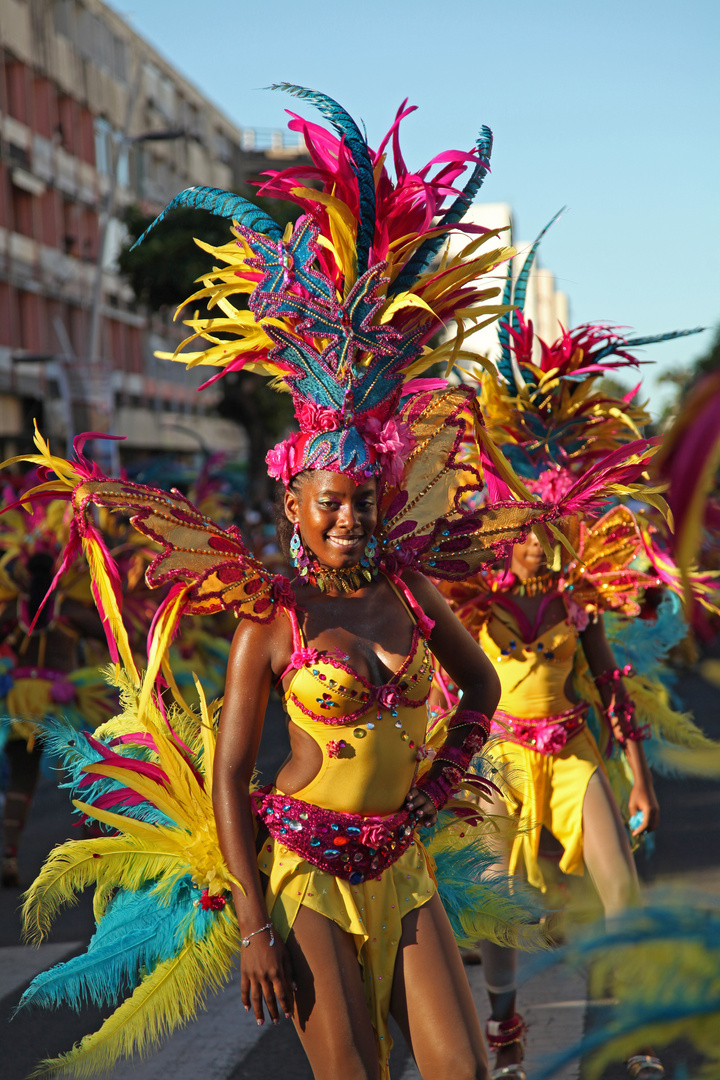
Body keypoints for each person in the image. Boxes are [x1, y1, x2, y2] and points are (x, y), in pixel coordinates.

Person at [3, 90, 657, 1079]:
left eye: (364, 499)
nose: (351, 518)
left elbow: (475, 688)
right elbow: (229, 774)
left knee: (460, 1069)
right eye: (330, 503)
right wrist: (256, 925)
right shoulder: (278, 615)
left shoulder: (407, 589)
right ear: (293, 502)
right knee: (352, 1068)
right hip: (308, 867)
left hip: (403, 859)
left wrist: (440, 785)